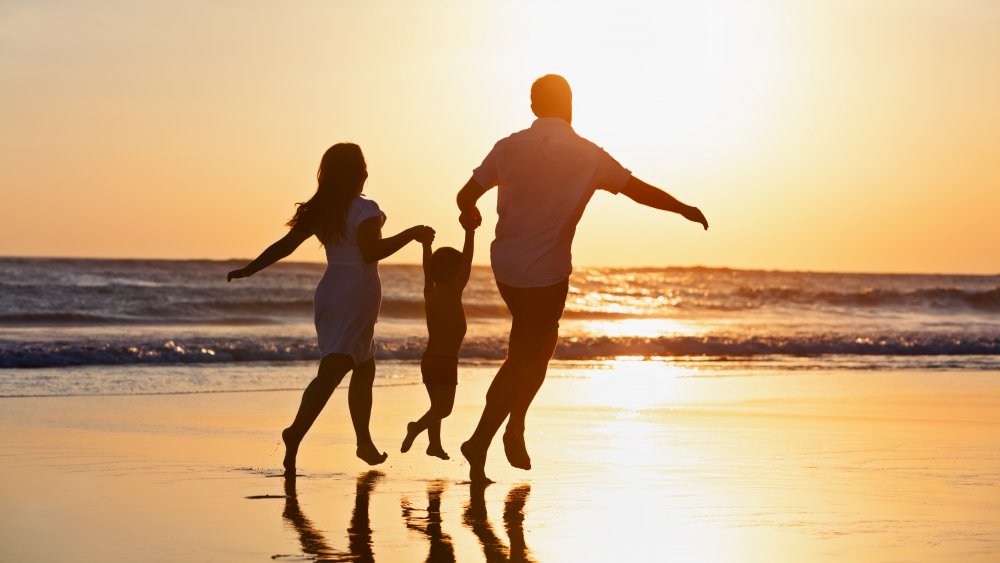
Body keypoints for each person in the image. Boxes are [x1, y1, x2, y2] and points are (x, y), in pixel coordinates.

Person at [456, 74, 709, 482]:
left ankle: (511, 427)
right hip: (548, 274)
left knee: (532, 348)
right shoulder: (589, 156)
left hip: (506, 268)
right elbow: (637, 190)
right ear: (570, 106)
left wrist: (469, 214)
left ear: (534, 107)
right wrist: (682, 208)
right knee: (527, 354)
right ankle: (486, 437)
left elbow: (466, 195)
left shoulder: (507, 147)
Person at [227, 143, 435, 472]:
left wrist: (250, 268)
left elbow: (285, 246)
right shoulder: (365, 209)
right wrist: (412, 234)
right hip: (355, 295)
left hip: (331, 292)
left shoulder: (325, 209)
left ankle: (363, 442)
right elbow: (370, 253)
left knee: (363, 366)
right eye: (364, 168)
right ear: (359, 173)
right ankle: (296, 432)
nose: (367, 173)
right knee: (335, 370)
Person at [400, 212, 479, 460]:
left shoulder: (430, 293)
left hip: (429, 360)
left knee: (436, 406)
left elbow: (427, 269)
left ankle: (434, 444)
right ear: (456, 273)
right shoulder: (454, 292)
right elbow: (468, 261)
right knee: (444, 409)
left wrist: (426, 246)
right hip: (445, 362)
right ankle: (415, 428)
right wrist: (470, 232)